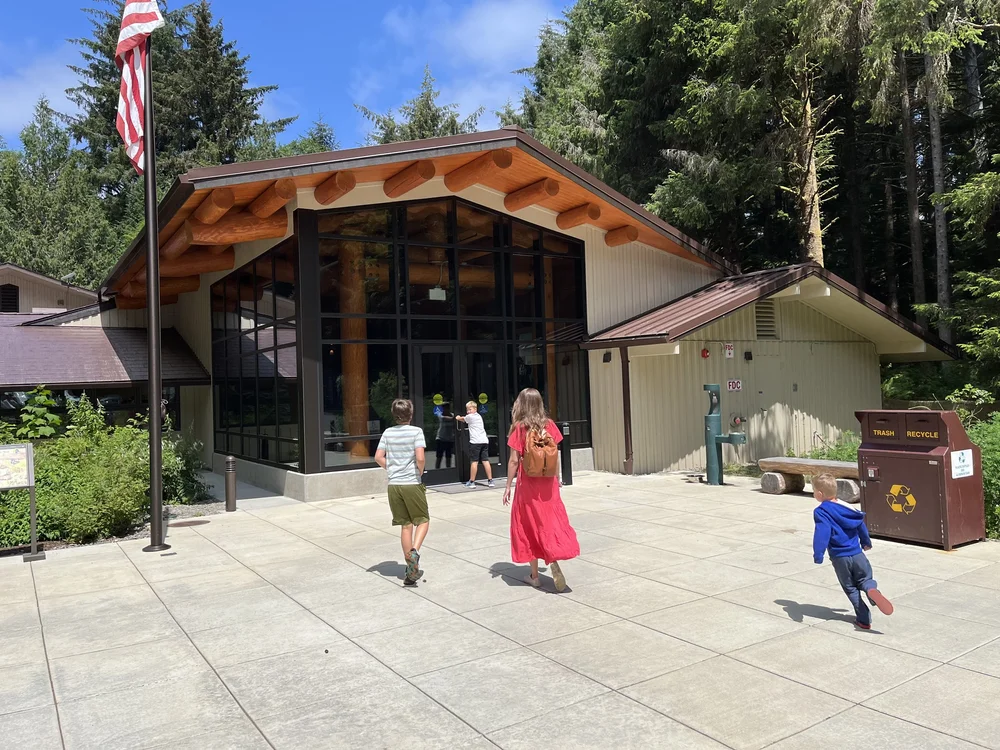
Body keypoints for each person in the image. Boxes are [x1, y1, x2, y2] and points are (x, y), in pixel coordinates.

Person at [501, 388, 580, 591]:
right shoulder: (550, 425)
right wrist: (558, 479)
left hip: (528, 485)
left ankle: (534, 575)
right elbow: (556, 455)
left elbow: (513, 461)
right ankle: (552, 553)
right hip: (548, 485)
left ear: (521, 404)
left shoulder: (519, 428)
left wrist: (508, 485)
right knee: (550, 521)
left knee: (528, 524)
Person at [812, 473, 893, 629]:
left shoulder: (821, 511)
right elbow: (860, 524)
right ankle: (871, 589)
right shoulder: (848, 508)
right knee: (865, 579)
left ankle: (864, 619)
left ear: (820, 494)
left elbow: (822, 532)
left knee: (850, 588)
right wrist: (866, 542)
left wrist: (818, 553)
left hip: (840, 557)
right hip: (857, 554)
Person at [374, 399, 429, 586]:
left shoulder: (388, 433)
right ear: (410, 414)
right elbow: (420, 457)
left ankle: (410, 569)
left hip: (394, 485)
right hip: (411, 483)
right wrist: (419, 471)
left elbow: (378, 457)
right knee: (422, 520)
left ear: (394, 414)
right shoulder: (416, 432)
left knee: (405, 525)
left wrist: (391, 469)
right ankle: (414, 551)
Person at [456, 400, 494, 488]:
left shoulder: (470, 417)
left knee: (474, 462)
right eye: (467, 410)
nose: (468, 411)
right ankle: (490, 480)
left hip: (475, 442)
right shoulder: (479, 416)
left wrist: (457, 417)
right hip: (484, 441)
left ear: (475, 409)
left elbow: (462, 419)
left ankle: (472, 481)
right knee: (485, 460)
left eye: (470, 409)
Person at [435, 403, 455, 469]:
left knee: (448, 457)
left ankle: (448, 470)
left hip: (449, 439)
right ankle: (437, 470)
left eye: (446, 408)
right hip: (440, 438)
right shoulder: (440, 415)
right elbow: (445, 418)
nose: (444, 410)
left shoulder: (453, 415)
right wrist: (454, 418)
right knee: (439, 457)